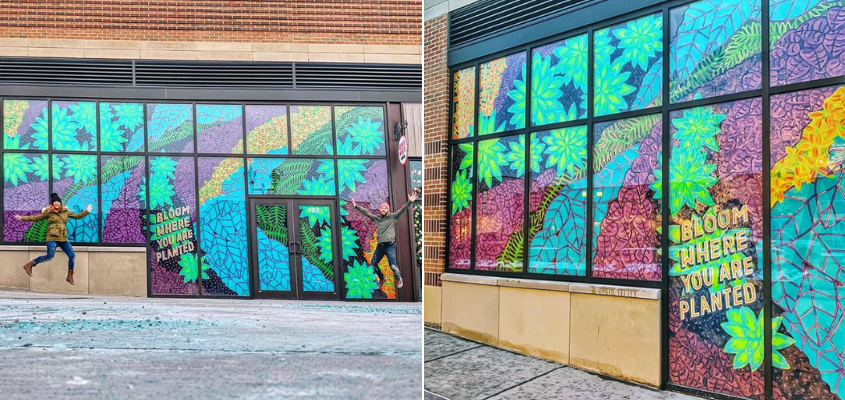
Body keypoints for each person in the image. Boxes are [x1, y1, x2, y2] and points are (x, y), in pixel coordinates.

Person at [15, 193, 93, 285]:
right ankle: (30, 264)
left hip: (63, 238)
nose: (56, 203)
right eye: (54, 202)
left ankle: (69, 276)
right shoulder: (48, 213)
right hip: (52, 238)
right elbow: (36, 218)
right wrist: (22, 218)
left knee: (72, 256)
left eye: (58, 202)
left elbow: (77, 216)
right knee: (50, 256)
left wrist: (87, 211)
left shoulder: (65, 211)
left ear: (60, 203)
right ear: (52, 203)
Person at [351, 189, 419, 289]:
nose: (383, 209)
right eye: (382, 208)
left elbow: (402, 209)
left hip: (390, 246)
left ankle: (399, 278)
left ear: (388, 210)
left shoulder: (393, 217)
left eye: (385, 208)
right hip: (380, 246)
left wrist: (410, 202)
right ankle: (382, 279)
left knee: (392, 265)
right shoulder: (377, 218)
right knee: (373, 264)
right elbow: (366, 212)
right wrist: (356, 206)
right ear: (379, 210)